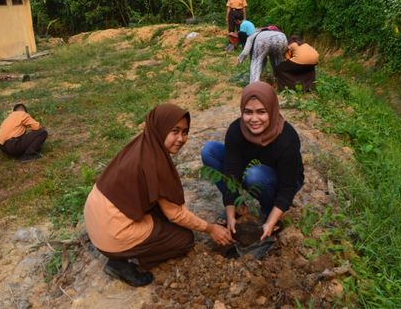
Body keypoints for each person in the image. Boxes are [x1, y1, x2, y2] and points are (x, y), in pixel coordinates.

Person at [84, 104, 234, 287]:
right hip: (112, 235)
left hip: (97, 220)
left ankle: (124, 249)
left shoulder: (143, 144)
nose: (181, 139)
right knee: (183, 239)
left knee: (164, 219)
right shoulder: (155, 163)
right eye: (175, 131)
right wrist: (210, 228)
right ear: (160, 128)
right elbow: (175, 214)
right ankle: (121, 263)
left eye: (185, 132)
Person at [201, 82, 304, 241]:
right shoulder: (236, 130)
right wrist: (230, 211)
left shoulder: (287, 138)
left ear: (272, 110)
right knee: (209, 151)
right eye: (248, 112)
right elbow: (231, 173)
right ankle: (238, 206)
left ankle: (270, 211)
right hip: (251, 172)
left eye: (261, 112)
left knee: (254, 175)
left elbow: (288, 187)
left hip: (281, 180)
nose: (254, 119)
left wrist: (270, 222)